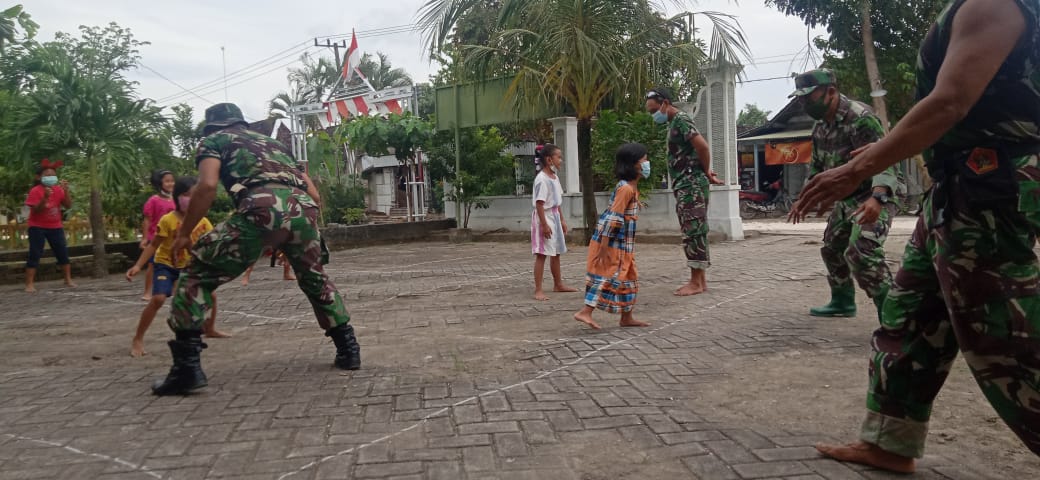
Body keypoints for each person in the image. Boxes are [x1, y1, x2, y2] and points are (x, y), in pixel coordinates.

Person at [789, 0, 1040, 472]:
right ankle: (890, 442)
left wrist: (861, 170)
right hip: (955, 188)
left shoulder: (994, 4)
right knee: (909, 319)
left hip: (985, 190)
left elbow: (950, 101)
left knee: (1005, 339)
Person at [151, 102, 359, 396]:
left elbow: (207, 186)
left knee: (196, 274)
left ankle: (187, 369)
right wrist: (290, 227)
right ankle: (349, 350)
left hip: (260, 209)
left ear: (212, 127)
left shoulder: (213, 141)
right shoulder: (274, 144)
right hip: (304, 210)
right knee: (314, 277)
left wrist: (185, 234)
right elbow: (312, 192)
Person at [788, 69, 900, 320]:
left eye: (808, 97)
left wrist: (877, 198)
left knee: (862, 251)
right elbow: (817, 168)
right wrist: (805, 197)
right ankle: (842, 301)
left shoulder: (861, 118)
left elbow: (886, 161)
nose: (803, 103)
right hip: (848, 197)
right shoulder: (820, 127)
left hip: (876, 192)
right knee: (831, 248)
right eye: (800, 99)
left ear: (830, 92)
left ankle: (893, 316)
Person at [126, 176, 230, 357]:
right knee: (158, 299)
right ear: (177, 197)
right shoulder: (168, 220)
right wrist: (138, 265)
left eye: (193, 195)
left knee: (211, 295)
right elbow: (153, 245)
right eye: (186, 195)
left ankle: (210, 328)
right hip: (166, 264)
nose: (189, 199)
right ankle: (138, 338)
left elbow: (208, 247)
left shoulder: (203, 222)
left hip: (189, 266)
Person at [645, 87, 724, 296]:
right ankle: (701, 280)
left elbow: (703, 147)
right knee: (695, 228)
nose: (653, 115)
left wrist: (706, 171)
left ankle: (695, 281)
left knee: (693, 229)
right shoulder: (673, 123)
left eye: (654, 110)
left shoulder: (680, 119)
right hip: (686, 182)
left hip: (690, 183)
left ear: (665, 103)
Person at [573, 143, 652, 330]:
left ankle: (627, 317)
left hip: (624, 246)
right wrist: (603, 248)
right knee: (607, 277)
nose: (647, 163)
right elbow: (613, 218)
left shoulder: (630, 188)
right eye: (644, 160)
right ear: (633, 165)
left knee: (629, 278)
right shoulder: (626, 189)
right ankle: (585, 311)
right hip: (612, 244)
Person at [531, 143, 577, 300]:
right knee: (542, 253)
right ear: (549, 159)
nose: (561, 160)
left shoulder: (555, 178)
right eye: (559, 156)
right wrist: (544, 225)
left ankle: (558, 284)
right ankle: (538, 290)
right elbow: (539, 203)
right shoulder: (542, 179)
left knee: (556, 252)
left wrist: (562, 220)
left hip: (555, 216)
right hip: (545, 217)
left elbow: (557, 202)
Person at [23, 159, 75, 293]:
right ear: (39, 177)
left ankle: (67, 279)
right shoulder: (35, 191)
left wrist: (66, 191)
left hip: (55, 226)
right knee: (35, 253)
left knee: (62, 252)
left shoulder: (58, 189)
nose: (50, 177)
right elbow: (36, 210)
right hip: (37, 226)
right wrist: (45, 198)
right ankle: (29, 284)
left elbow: (68, 205)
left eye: (53, 174)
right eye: (47, 174)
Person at [140, 170, 176, 301]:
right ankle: (148, 291)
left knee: (175, 262)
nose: (170, 183)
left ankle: (173, 289)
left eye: (172, 180)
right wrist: (144, 238)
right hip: (156, 237)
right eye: (167, 181)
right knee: (152, 265)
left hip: (172, 238)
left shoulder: (176, 199)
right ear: (160, 183)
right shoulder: (154, 200)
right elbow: (147, 219)